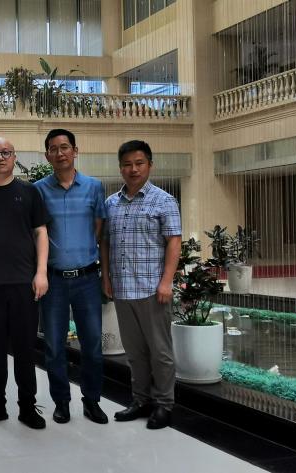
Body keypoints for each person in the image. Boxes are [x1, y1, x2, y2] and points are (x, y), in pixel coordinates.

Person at [0, 137, 51, 430]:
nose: (0, 157)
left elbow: (40, 233)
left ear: (14, 157)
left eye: (6, 153)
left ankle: (27, 406)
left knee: (25, 350)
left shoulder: (29, 192)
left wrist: (41, 272)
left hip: (24, 284)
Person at [100, 139, 182, 430]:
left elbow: (174, 242)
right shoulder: (111, 203)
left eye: (139, 163)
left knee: (160, 351)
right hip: (123, 289)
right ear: (120, 168)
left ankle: (164, 404)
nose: (133, 169)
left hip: (152, 289)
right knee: (134, 352)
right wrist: (106, 277)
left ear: (150, 165)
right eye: (127, 164)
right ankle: (140, 400)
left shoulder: (164, 201)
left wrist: (167, 282)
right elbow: (105, 244)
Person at [35, 129, 108, 425]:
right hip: (53, 280)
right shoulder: (38, 190)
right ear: (47, 155)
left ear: (75, 151)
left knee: (92, 345)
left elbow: (99, 229)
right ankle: (61, 402)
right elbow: (37, 233)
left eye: (65, 147)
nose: (60, 153)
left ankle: (92, 400)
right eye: (54, 149)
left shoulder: (94, 187)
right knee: (54, 346)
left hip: (87, 279)